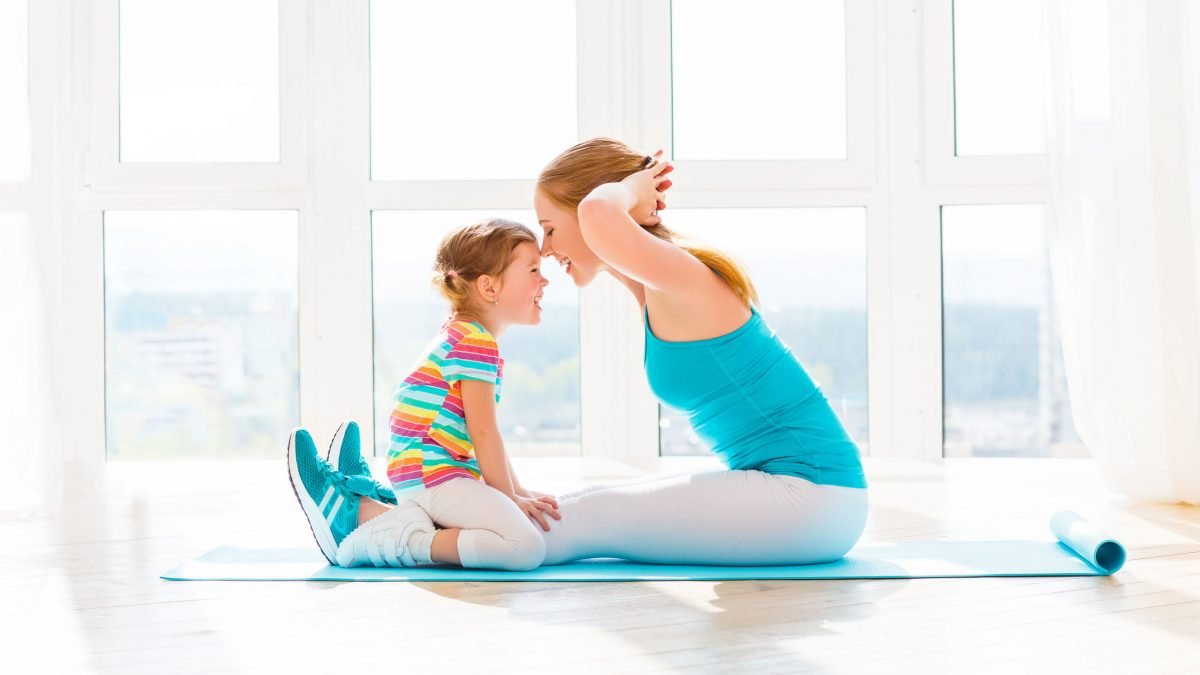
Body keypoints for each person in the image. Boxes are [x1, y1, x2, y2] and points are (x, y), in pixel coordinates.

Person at [531, 138, 868, 565]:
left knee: (589, 517)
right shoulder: (657, 288)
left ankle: (435, 547)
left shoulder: (687, 278)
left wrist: (634, 189)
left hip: (813, 497)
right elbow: (601, 221)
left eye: (550, 228)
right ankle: (453, 533)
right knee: (578, 502)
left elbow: (597, 213)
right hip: (804, 498)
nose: (544, 249)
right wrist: (629, 203)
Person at [285, 219, 560, 571]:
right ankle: (377, 530)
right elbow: (484, 432)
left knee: (519, 530)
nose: (545, 280)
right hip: (435, 477)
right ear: (489, 287)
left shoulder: (462, 333)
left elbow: (483, 435)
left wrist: (516, 492)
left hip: (426, 474)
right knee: (525, 548)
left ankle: (368, 505)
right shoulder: (476, 342)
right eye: (534, 270)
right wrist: (509, 496)